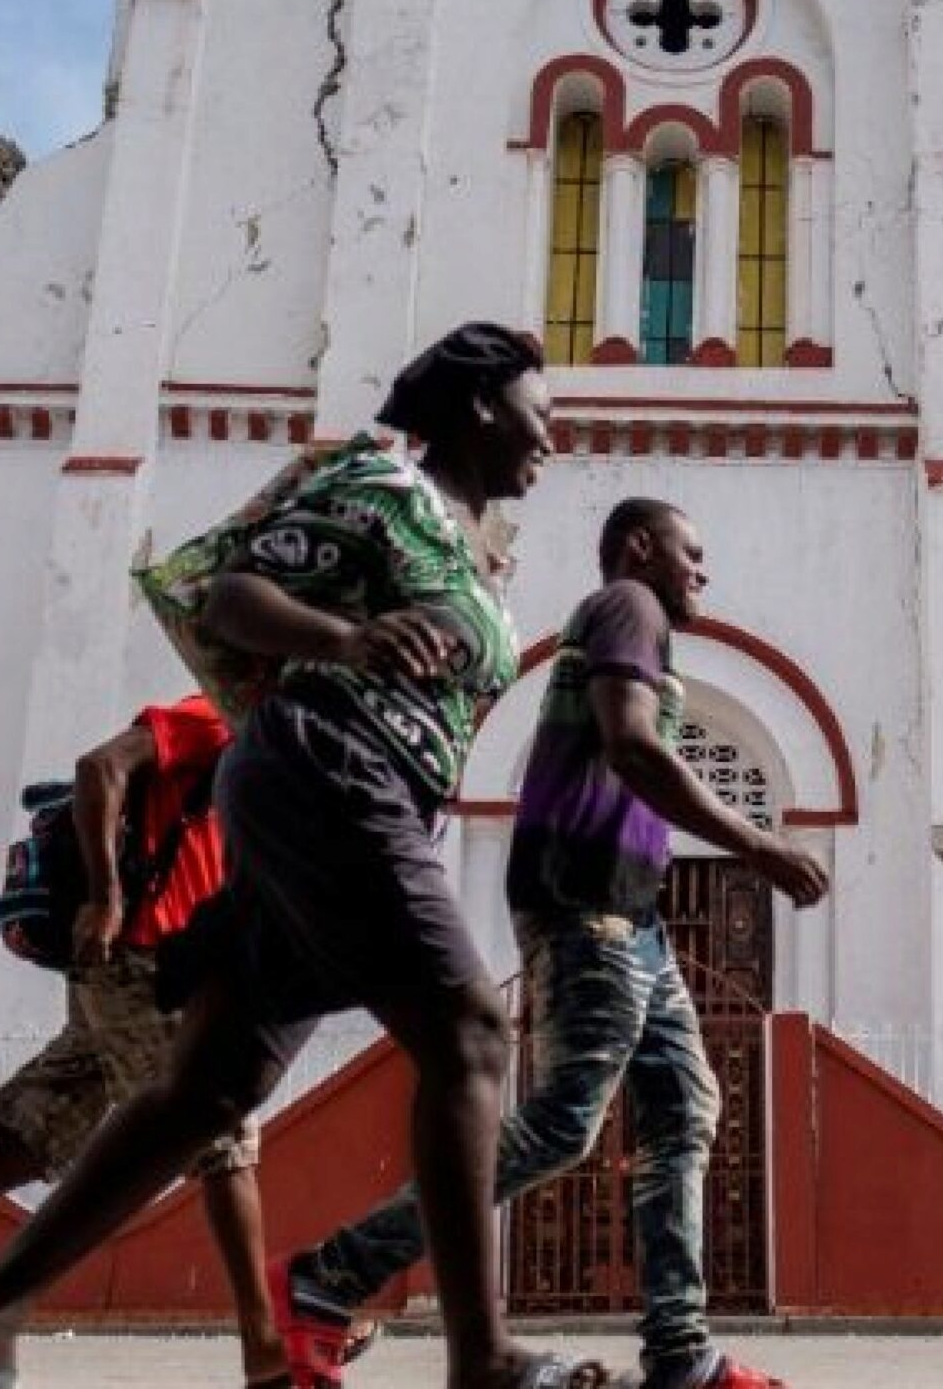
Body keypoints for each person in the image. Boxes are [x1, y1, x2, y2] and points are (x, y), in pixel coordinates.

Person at [0, 324, 603, 1389]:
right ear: (478, 406)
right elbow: (238, 595)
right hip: (327, 769)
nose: (551, 436)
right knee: (469, 1030)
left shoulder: (471, 544)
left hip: (352, 800)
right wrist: (342, 638)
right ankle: (484, 1357)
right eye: (539, 413)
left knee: (207, 1088)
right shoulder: (383, 486)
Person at [269, 498, 828, 1389]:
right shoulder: (628, 608)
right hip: (585, 907)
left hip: (633, 919)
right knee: (566, 1121)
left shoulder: (644, 627)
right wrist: (758, 843)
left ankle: (682, 1353)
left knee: (685, 1108)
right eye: (692, 552)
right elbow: (635, 747)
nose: (702, 573)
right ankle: (326, 1278)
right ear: (641, 548)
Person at [0, 696, 326, 1385]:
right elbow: (99, 767)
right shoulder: (214, 715)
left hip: (138, 964)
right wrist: (105, 895)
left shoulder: (272, 742)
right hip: (142, 959)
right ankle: (263, 1347)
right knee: (220, 1134)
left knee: (30, 1143)